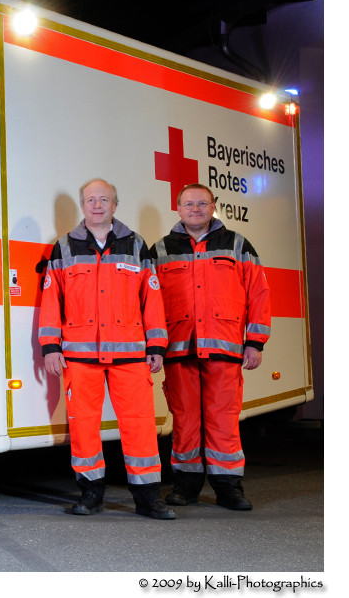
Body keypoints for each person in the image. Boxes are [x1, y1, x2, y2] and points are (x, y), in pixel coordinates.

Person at [39, 179, 174, 520]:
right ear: (83, 206)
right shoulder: (64, 247)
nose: (97, 205)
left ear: (115, 205)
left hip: (131, 355)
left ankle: (148, 499)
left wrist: (157, 344)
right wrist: (50, 347)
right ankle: (90, 495)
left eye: (104, 199)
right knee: (83, 425)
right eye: (90, 200)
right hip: (80, 356)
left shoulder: (136, 245)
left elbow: (152, 299)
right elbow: (51, 301)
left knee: (140, 426)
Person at [153, 183, 271, 511]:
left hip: (225, 348)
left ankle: (228, 488)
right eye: (189, 204)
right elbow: (148, 301)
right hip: (179, 348)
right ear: (177, 208)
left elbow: (258, 294)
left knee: (223, 418)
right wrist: (153, 345)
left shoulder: (237, 244)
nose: (195, 209)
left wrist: (255, 342)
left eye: (202, 204)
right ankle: (185, 486)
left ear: (213, 206)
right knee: (185, 419)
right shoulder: (161, 249)